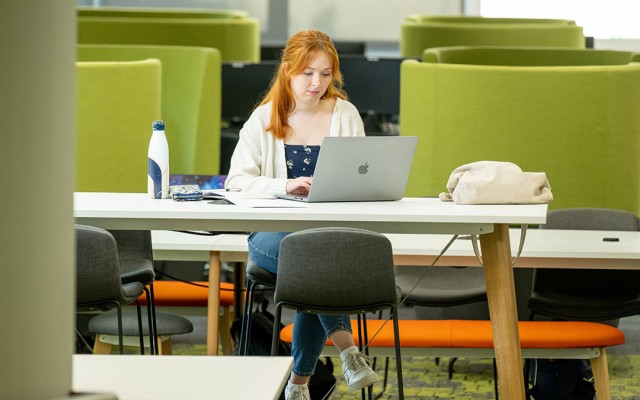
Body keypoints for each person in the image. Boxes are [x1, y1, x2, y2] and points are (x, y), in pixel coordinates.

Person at [225, 30, 379, 400]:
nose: (317, 83)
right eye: (308, 73)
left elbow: (362, 176)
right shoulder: (264, 118)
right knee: (311, 260)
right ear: (288, 70)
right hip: (270, 239)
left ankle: (298, 386)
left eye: (326, 74)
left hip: (327, 237)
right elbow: (235, 182)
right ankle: (347, 350)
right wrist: (285, 185)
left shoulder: (345, 114)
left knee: (314, 260)